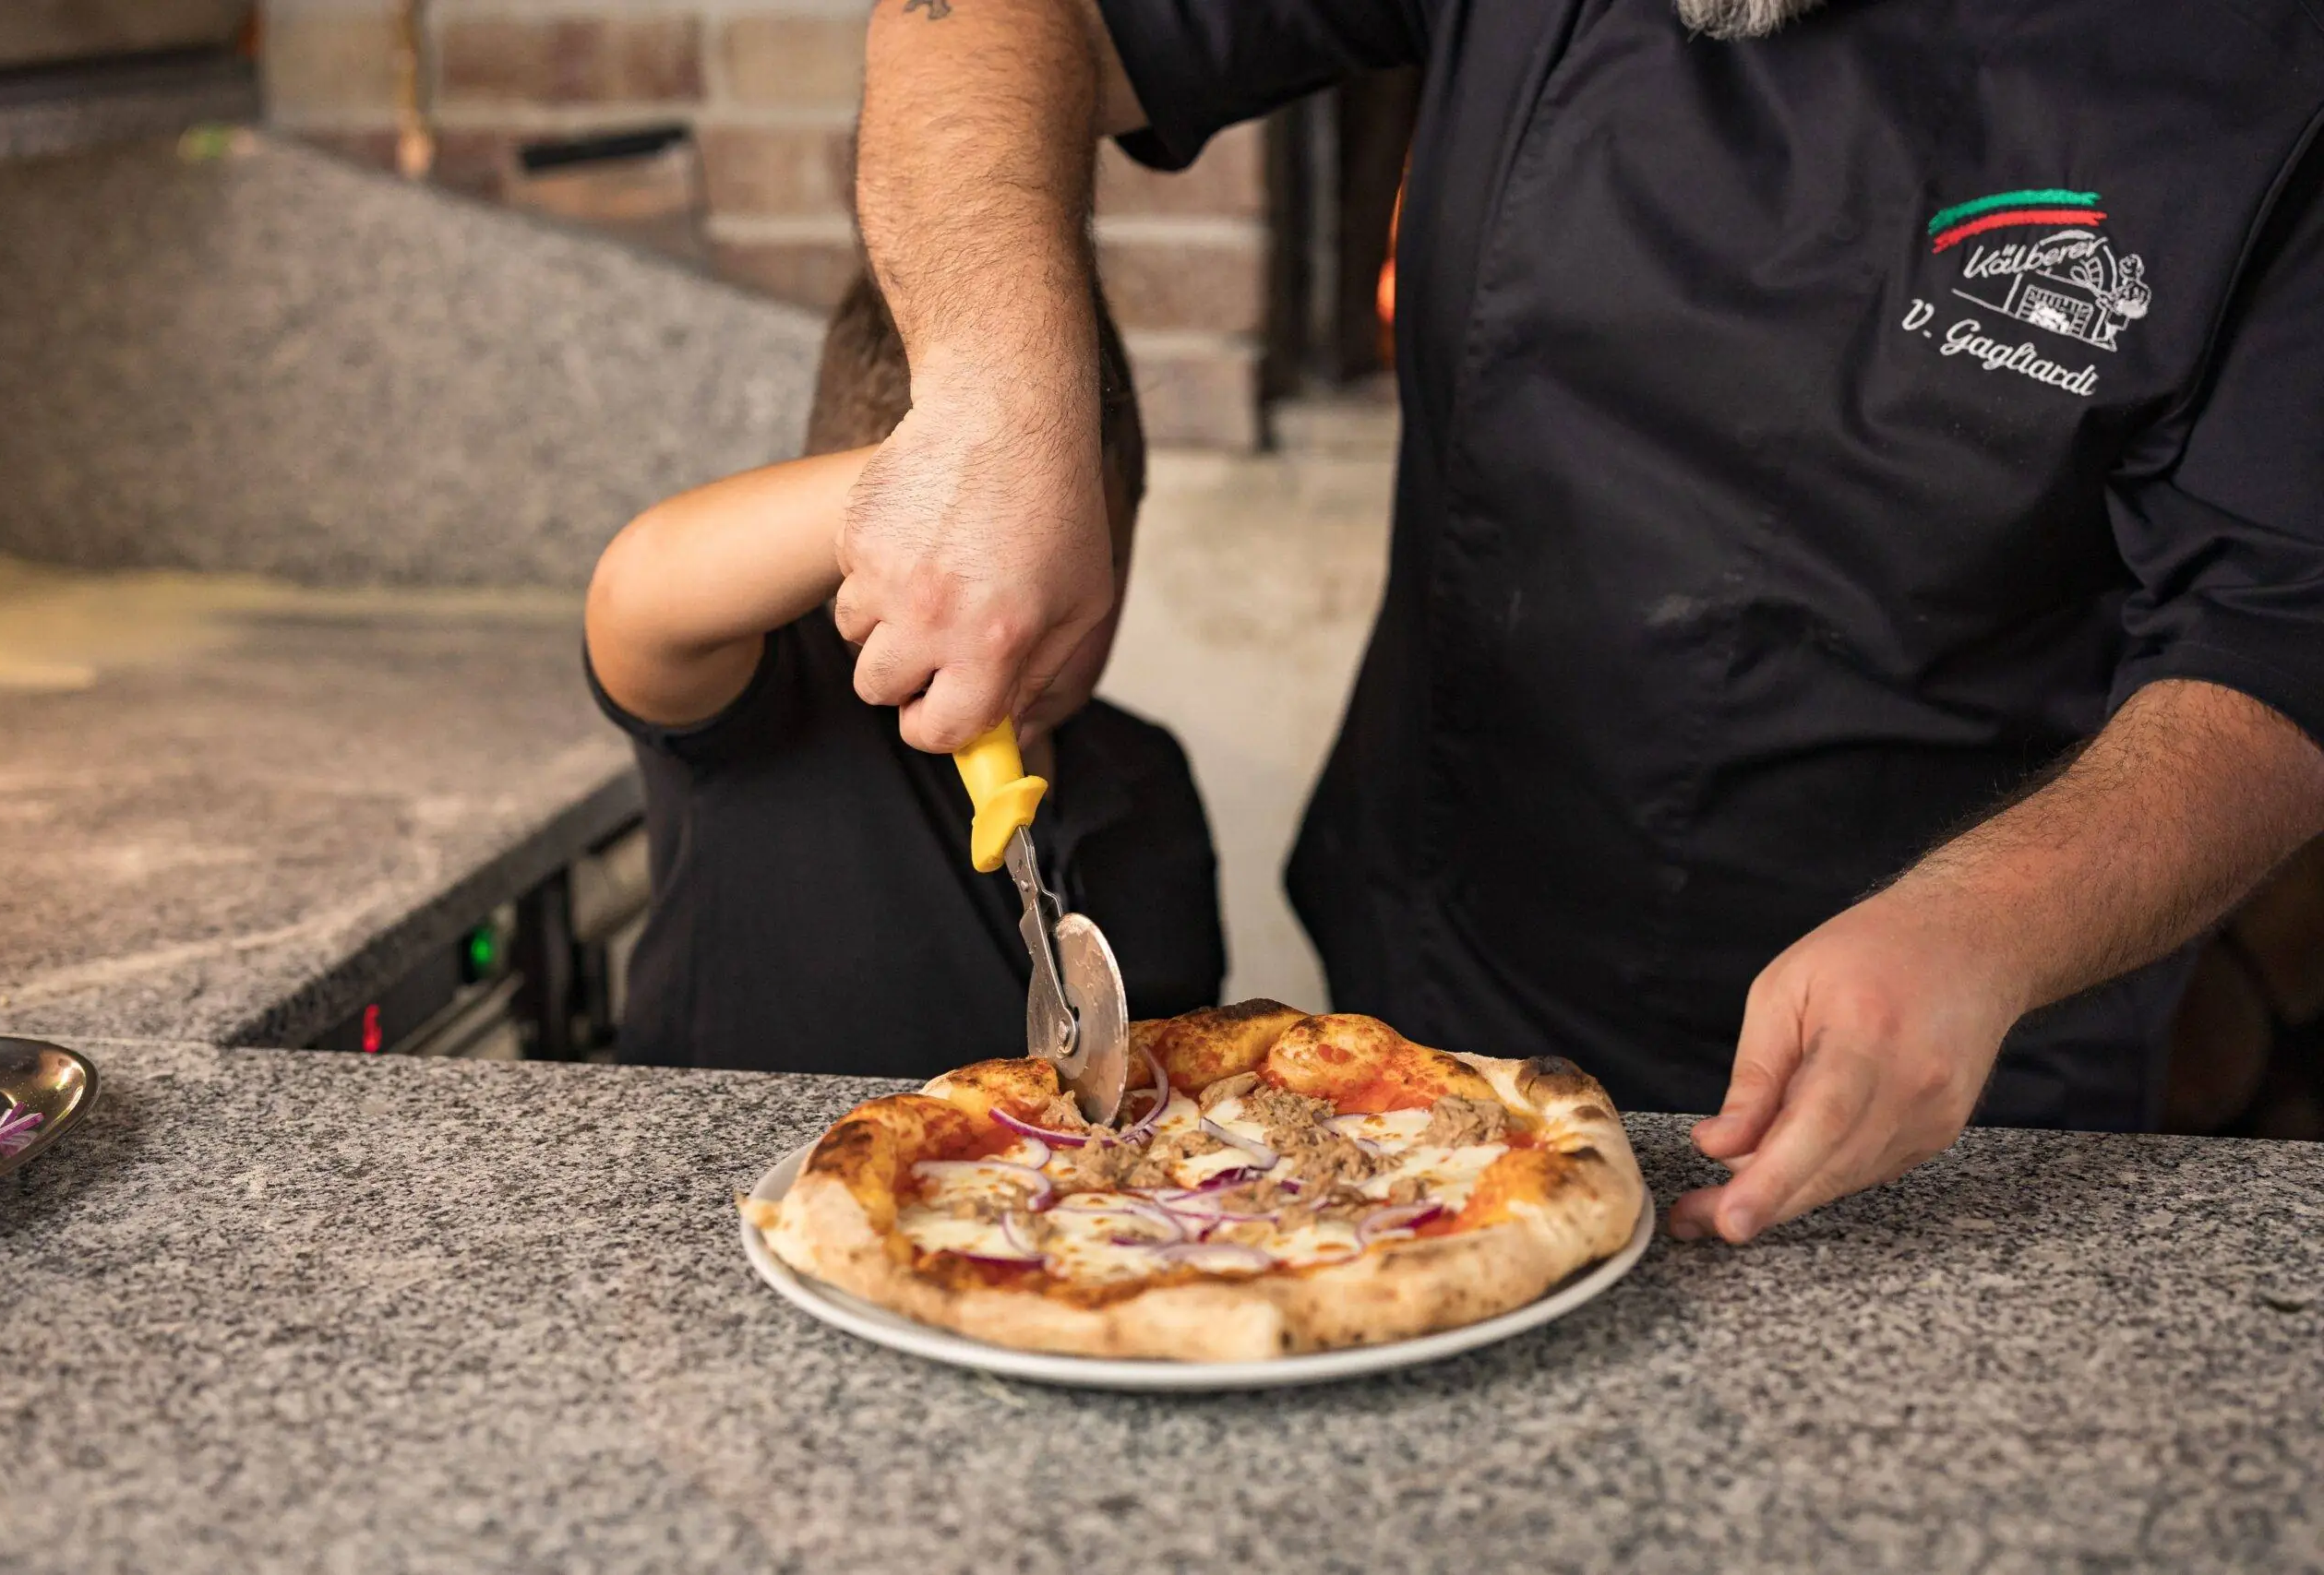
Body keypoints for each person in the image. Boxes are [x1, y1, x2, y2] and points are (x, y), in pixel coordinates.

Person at [831, 0, 2324, 1239]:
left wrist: (1991, 926)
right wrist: (999, 398)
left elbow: (2281, 633)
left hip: (1956, 1084)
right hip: (1443, 1017)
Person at [583, 270, 1225, 1077]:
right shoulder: (770, 706)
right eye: (949, 584)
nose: (1005, 634)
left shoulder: (1149, 776)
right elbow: (634, 596)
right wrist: (966, 470)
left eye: (1062, 582)